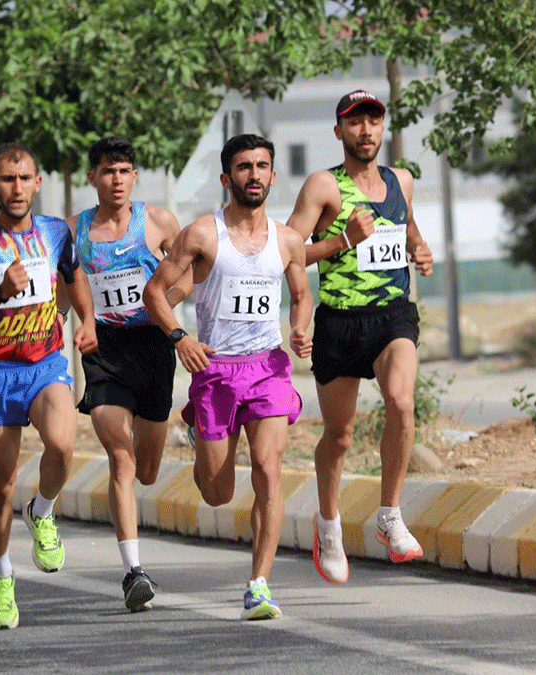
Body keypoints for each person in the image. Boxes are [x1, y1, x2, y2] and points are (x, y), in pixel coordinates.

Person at [144, 134, 313, 620]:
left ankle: (259, 584)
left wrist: (300, 331)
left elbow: (301, 295)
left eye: (262, 166)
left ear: (274, 176)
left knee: (268, 469)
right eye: (243, 167)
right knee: (217, 493)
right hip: (216, 370)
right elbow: (156, 292)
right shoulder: (202, 234)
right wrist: (181, 338)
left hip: (268, 368)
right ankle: (200, 429)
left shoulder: (287, 240)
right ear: (227, 178)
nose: (254, 174)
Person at [284, 90, 434, 585]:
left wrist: (419, 247)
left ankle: (389, 514)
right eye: (355, 122)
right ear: (339, 131)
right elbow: (287, 251)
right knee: (340, 435)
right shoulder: (324, 185)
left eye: (373, 121)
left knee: (401, 401)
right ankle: (329, 526)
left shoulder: (401, 180)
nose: (365, 130)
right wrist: (342, 240)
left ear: (382, 128)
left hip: (393, 315)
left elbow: (406, 225)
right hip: (340, 322)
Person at [0, 142, 98, 629]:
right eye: (6, 180)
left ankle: (44, 510)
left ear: (38, 182)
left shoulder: (56, 231)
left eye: (25, 178)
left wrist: (88, 319)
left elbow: (73, 276)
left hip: (46, 362)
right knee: (0, 484)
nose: (17, 188)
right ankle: (1, 575)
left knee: (62, 442)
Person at [67, 136, 191, 612]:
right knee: (121, 458)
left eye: (124, 170)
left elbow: (188, 272)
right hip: (104, 349)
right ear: (92, 177)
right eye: (106, 171)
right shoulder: (76, 231)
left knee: (147, 469)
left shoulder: (157, 221)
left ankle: (189, 429)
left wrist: (162, 304)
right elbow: (67, 284)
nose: (116, 179)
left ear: (134, 176)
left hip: (153, 344)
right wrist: (80, 323)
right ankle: (133, 571)